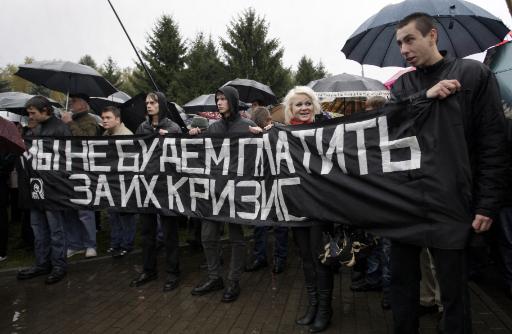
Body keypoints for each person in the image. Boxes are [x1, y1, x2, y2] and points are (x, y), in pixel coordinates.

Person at [390, 12, 507, 334]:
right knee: (401, 285)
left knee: (454, 292)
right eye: (399, 43)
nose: (404, 49)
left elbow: (493, 143)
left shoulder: (473, 74)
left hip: (452, 201)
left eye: (410, 39)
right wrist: (424, 98)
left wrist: (488, 203)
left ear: (433, 36)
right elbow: (389, 128)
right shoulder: (403, 85)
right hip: (405, 203)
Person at [190, 86, 257, 303]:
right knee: (208, 235)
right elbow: (203, 152)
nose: (219, 102)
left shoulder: (248, 126)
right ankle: (214, 277)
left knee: (236, 237)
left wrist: (264, 134)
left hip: (237, 192)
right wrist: (192, 136)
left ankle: (234, 280)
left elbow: (265, 150)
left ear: (233, 101)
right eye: (217, 99)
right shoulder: (214, 127)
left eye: (223, 99)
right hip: (214, 192)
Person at [280, 86, 334, 332]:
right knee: (306, 259)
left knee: (320, 258)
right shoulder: (285, 134)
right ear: (290, 108)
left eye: (307, 103)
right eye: (298, 104)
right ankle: (313, 305)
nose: (303, 108)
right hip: (296, 206)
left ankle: (325, 309)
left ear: (314, 106)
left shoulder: (327, 131)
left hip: (321, 206)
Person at [129, 92, 182, 292]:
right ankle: (148, 269)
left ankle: (172, 272)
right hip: (146, 185)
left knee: (169, 232)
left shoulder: (172, 127)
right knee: (147, 232)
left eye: (153, 102)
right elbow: (135, 151)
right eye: (147, 103)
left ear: (161, 104)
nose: (149, 105)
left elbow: (180, 154)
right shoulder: (142, 128)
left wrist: (169, 139)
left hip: (167, 186)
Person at [17, 95, 71, 284]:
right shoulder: (34, 129)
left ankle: (58, 265)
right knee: (38, 228)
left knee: (56, 229)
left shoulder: (61, 129)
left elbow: (68, 160)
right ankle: (42, 263)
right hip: (35, 187)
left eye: (33, 113)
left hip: (53, 188)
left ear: (45, 111)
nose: (29, 116)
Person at [245, 106, 289, 274]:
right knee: (260, 224)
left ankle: (279, 257)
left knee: (279, 225)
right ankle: (262, 256)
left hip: (276, 184)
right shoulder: (251, 135)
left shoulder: (278, 132)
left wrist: (274, 129)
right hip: (260, 185)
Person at [61, 93, 99, 258]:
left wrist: (70, 123)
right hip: (68, 168)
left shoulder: (90, 121)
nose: (71, 104)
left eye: (75, 101)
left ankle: (90, 244)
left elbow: (86, 140)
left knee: (84, 209)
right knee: (70, 209)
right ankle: (75, 244)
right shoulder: (69, 120)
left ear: (84, 105)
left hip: (83, 170)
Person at [100, 106, 138, 258]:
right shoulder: (105, 134)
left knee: (126, 215)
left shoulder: (127, 135)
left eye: (108, 118)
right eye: (103, 118)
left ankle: (126, 245)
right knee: (113, 215)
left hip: (124, 182)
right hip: (111, 181)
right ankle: (115, 243)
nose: (104, 121)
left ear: (117, 119)